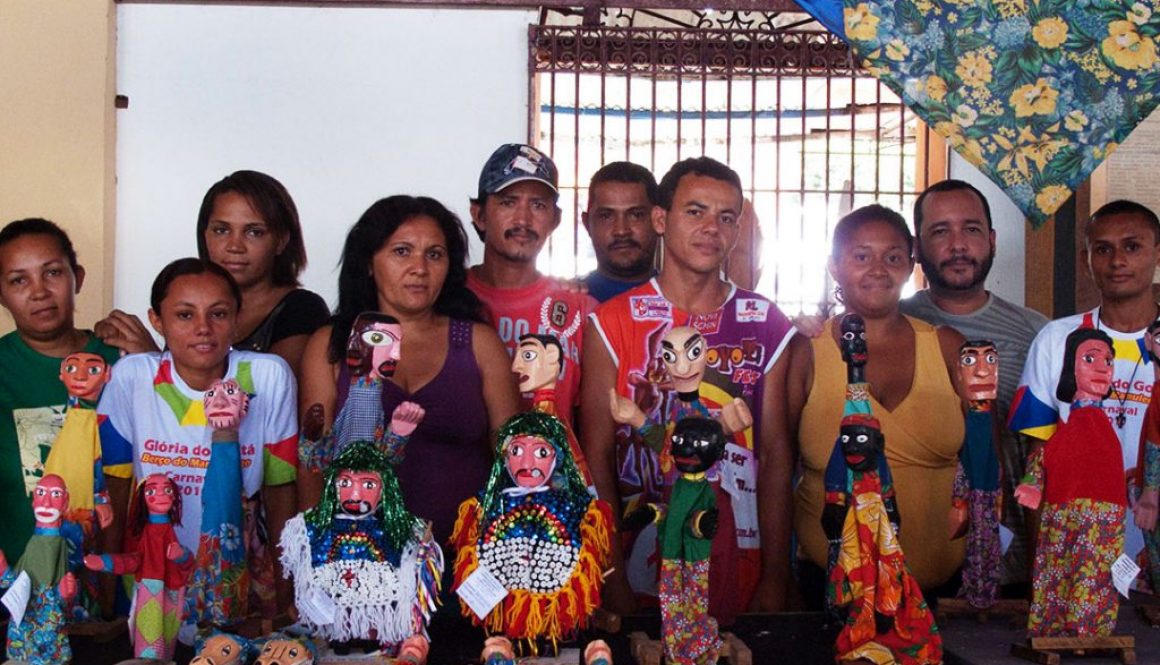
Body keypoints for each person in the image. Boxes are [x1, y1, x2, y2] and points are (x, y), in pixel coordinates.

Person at [582, 156, 796, 615]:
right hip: (640, 548)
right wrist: (611, 575)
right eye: (695, 211)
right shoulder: (611, 321)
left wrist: (776, 576)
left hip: (738, 550)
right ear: (661, 219)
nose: (710, 229)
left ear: (738, 230)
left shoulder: (765, 322)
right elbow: (596, 453)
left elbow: (776, 453)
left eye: (726, 218)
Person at [298, 195, 520, 543]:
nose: (420, 267)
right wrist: (311, 555)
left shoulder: (480, 343)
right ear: (369, 262)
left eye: (435, 254)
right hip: (357, 559)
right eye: (402, 251)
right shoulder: (331, 345)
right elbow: (312, 465)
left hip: (466, 559)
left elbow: (512, 458)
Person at [97, 258, 299, 619]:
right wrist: (106, 604)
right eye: (185, 315)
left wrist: (286, 596)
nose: (203, 328)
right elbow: (115, 485)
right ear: (156, 321)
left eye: (218, 314)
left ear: (238, 317)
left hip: (238, 576)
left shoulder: (269, 376)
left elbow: (280, 489)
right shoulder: (132, 378)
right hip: (153, 573)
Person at [786, 204, 966, 600]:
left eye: (893, 257)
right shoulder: (807, 351)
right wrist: (774, 575)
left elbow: (988, 462)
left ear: (911, 263)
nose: (878, 269)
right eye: (861, 256)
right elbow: (776, 463)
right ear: (834, 266)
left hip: (945, 594)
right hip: (829, 592)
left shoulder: (948, 347)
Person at [903, 179, 1048, 584]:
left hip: (1015, 569)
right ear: (916, 247)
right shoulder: (896, 328)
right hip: (918, 568)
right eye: (940, 231)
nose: (957, 244)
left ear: (992, 239)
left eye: (971, 229)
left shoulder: (1038, 334)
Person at [1010, 199, 1160, 585]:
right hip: (1078, 557)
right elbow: (1037, 458)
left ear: (1157, 253)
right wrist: (1044, 573)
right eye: (1103, 249)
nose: (1116, 261)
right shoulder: (1056, 339)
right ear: (1085, 259)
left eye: (1132, 246)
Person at [96, 170, 329, 375]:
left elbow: (266, 398)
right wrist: (110, 341)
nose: (234, 246)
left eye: (254, 232)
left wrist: (154, 361)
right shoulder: (184, 294)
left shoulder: (301, 309)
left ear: (281, 241)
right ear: (204, 234)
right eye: (221, 230)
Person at [0, 218, 120, 563]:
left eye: (52, 273)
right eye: (19, 280)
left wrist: (151, 363)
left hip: (114, 578)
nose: (39, 291)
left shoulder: (120, 360)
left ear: (77, 278)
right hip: (20, 585)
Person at [466, 144, 597, 424]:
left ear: (556, 219)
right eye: (508, 202)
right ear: (479, 215)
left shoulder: (579, 308)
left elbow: (592, 423)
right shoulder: (448, 299)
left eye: (538, 205)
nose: (523, 219)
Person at [580, 161, 660, 303]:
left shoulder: (688, 303)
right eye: (606, 216)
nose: (622, 230)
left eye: (636, 215)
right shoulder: (566, 305)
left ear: (659, 221)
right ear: (587, 224)